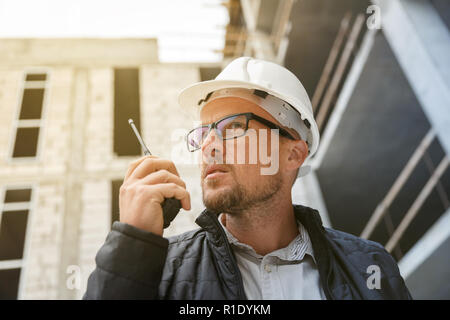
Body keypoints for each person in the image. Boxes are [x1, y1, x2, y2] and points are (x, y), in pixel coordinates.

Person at [83, 57, 412, 300]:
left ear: (292, 154)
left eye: (232, 128)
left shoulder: (370, 267)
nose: (208, 146)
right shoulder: (160, 272)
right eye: (203, 133)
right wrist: (131, 247)